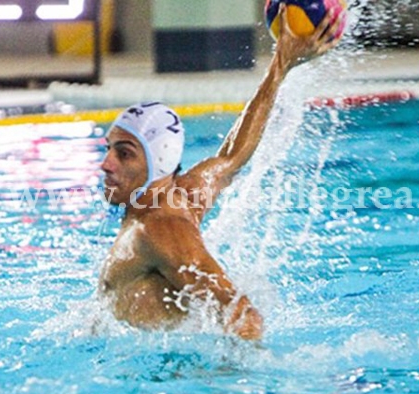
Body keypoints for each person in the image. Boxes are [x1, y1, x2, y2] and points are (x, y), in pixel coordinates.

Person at [98, 5, 344, 341]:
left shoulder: (158, 229)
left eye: (124, 154)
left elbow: (243, 315)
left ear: (158, 163)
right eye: (108, 149)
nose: (106, 163)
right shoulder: (185, 194)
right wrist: (280, 64)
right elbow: (232, 155)